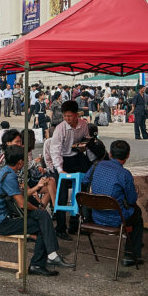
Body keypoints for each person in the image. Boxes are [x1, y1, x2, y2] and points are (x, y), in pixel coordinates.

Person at [0, 147, 73, 276]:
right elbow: (22, 203)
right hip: (0, 222)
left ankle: (48, 256)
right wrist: (37, 208)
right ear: (20, 162)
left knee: (43, 218)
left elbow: (20, 194)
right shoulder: (9, 176)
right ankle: (42, 261)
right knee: (42, 222)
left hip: (5, 216)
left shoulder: (5, 171)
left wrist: (37, 187)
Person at [84, 140, 144, 266]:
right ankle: (130, 255)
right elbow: (132, 199)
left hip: (96, 216)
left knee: (133, 213)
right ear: (128, 155)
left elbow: (85, 180)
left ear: (110, 153)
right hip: (116, 220)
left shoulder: (96, 166)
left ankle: (133, 244)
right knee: (137, 215)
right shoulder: (124, 174)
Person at [49, 100, 91, 240]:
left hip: (77, 159)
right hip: (62, 161)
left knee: (80, 191)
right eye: (65, 116)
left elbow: (86, 140)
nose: (67, 119)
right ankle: (60, 228)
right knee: (61, 196)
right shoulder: (60, 129)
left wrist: (83, 146)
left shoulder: (84, 125)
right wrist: (60, 170)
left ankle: (76, 224)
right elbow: (55, 151)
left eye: (70, 116)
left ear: (76, 115)